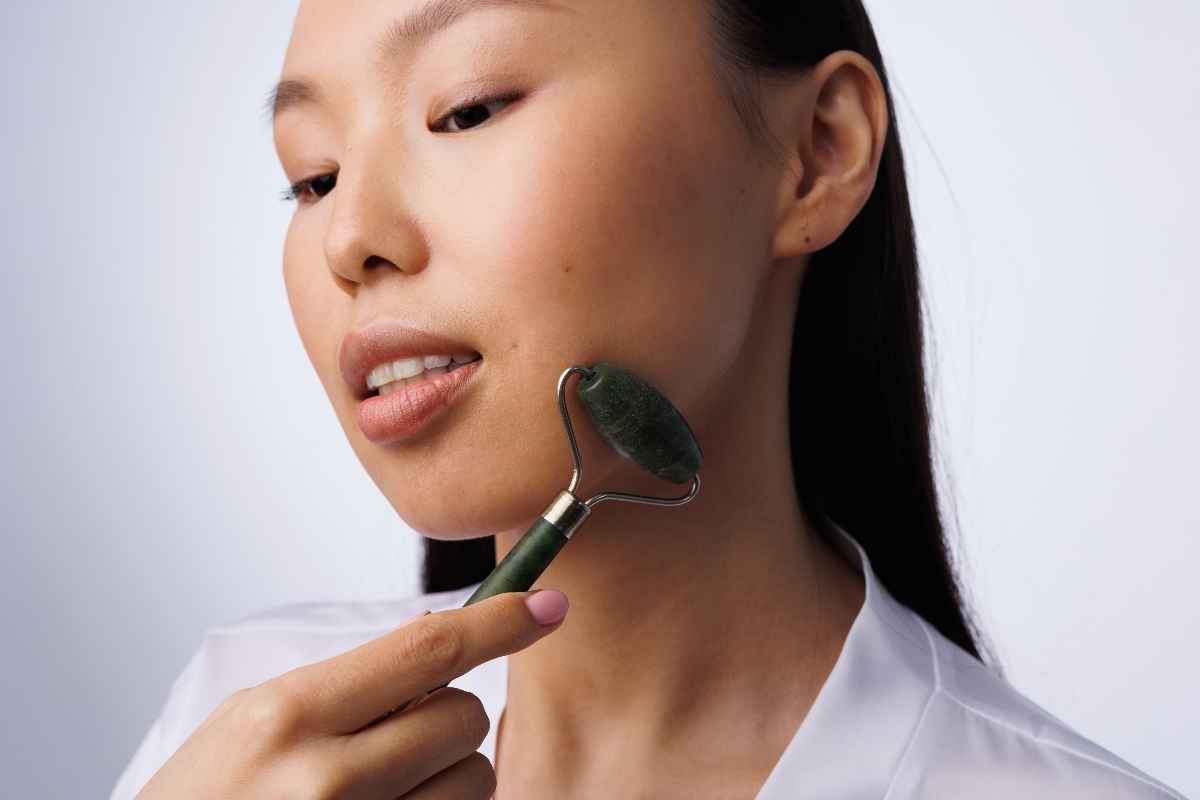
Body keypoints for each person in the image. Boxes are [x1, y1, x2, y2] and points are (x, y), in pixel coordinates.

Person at [111, 1, 1187, 798]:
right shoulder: (237, 718)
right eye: (313, 175)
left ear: (819, 151)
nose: (350, 238)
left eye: (468, 108)